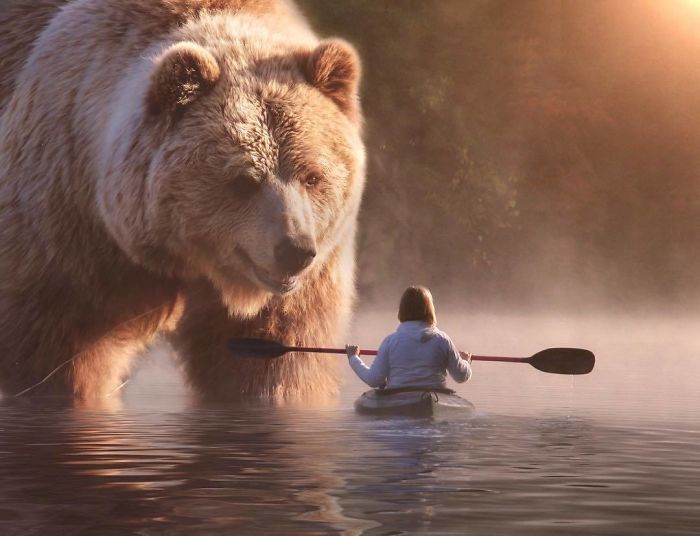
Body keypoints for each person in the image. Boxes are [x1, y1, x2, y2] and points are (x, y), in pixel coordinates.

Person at [345, 286, 472, 390]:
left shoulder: (391, 341)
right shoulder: (443, 340)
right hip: (434, 397)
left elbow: (373, 379)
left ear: (402, 310)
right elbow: (461, 377)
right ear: (430, 310)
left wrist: (353, 357)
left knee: (382, 384)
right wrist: (465, 361)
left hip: (398, 401)